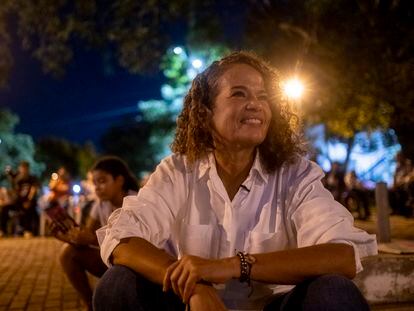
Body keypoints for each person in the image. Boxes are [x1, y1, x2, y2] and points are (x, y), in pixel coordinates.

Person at [94, 51, 377, 311]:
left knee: (334, 292)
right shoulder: (178, 171)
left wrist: (234, 266)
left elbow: (342, 255)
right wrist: (194, 286)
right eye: (239, 94)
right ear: (205, 115)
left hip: (273, 307)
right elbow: (122, 239)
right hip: (194, 306)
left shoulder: (295, 174)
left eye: (263, 96)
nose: (255, 104)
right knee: (117, 283)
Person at [54, 156, 138, 311]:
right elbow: (88, 232)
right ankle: (89, 305)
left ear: (119, 180)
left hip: (136, 266)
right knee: (68, 253)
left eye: (102, 181)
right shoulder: (101, 204)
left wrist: (91, 239)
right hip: (112, 261)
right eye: (95, 183)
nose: (97, 188)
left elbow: (132, 245)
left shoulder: (136, 202)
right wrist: (72, 237)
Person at [0, 161, 39, 237]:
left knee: (28, 209)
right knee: (5, 208)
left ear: (28, 169)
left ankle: (27, 230)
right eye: (22, 168)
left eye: (25, 168)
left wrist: (29, 200)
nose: (23, 170)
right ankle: (2, 230)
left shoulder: (32, 178)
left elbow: (34, 190)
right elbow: (13, 191)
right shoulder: (16, 179)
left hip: (29, 201)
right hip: (17, 202)